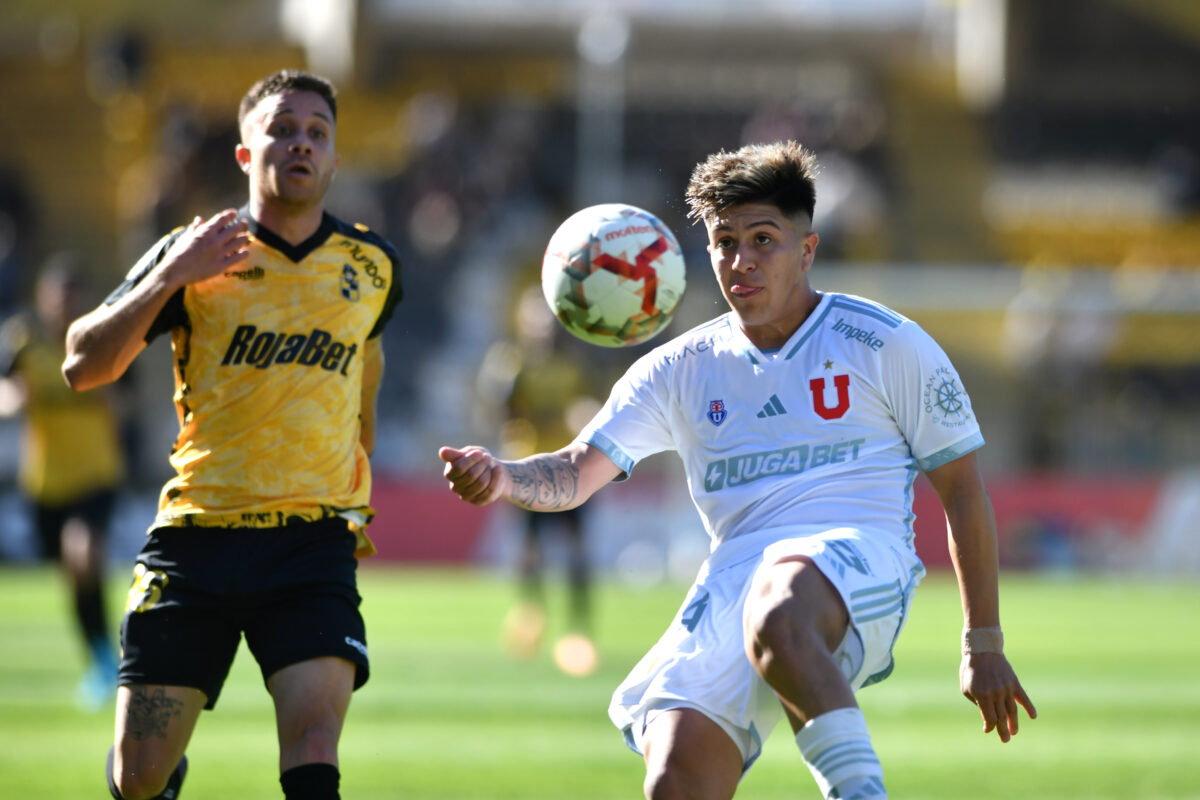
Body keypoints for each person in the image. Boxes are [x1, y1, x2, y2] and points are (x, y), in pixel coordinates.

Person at [439, 140, 1035, 800]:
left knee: (779, 607)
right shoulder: (679, 368)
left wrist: (982, 642)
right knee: (675, 777)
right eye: (724, 242)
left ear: (806, 251)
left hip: (860, 553)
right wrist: (502, 477)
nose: (740, 261)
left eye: (763, 239)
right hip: (732, 578)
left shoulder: (885, 343)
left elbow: (962, 488)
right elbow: (578, 469)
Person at [61, 69, 402, 800]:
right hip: (198, 537)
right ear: (246, 154)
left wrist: (355, 490)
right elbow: (82, 366)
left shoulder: (374, 268)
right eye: (281, 129)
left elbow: (364, 375)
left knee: (314, 745)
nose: (300, 144)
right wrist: (168, 278)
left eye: (317, 132)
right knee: (139, 776)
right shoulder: (195, 251)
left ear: (337, 159)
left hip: (311, 541)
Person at [0, 254, 128, 710]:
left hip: (96, 475)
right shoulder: (24, 344)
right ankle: (99, 658)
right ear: (44, 300)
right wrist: (14, 399)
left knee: (83, 553)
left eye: (72, 300)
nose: (64, 309)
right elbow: (7, 390)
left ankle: (109, 664)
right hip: (46, 483)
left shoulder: (105, 342)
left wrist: (112, 402)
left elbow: (126, 404)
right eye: (58, 300)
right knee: (75, 576)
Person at [487, 285, 602, 675]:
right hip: (530, 470)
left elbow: (592, 412)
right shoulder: (512, 364)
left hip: (572, 472)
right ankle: (530, 617)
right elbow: (501, 413)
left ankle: (578, 631)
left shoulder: (575, 365)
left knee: (576, 552)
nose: (544, 329)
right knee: (530, 551)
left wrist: (583, 417)